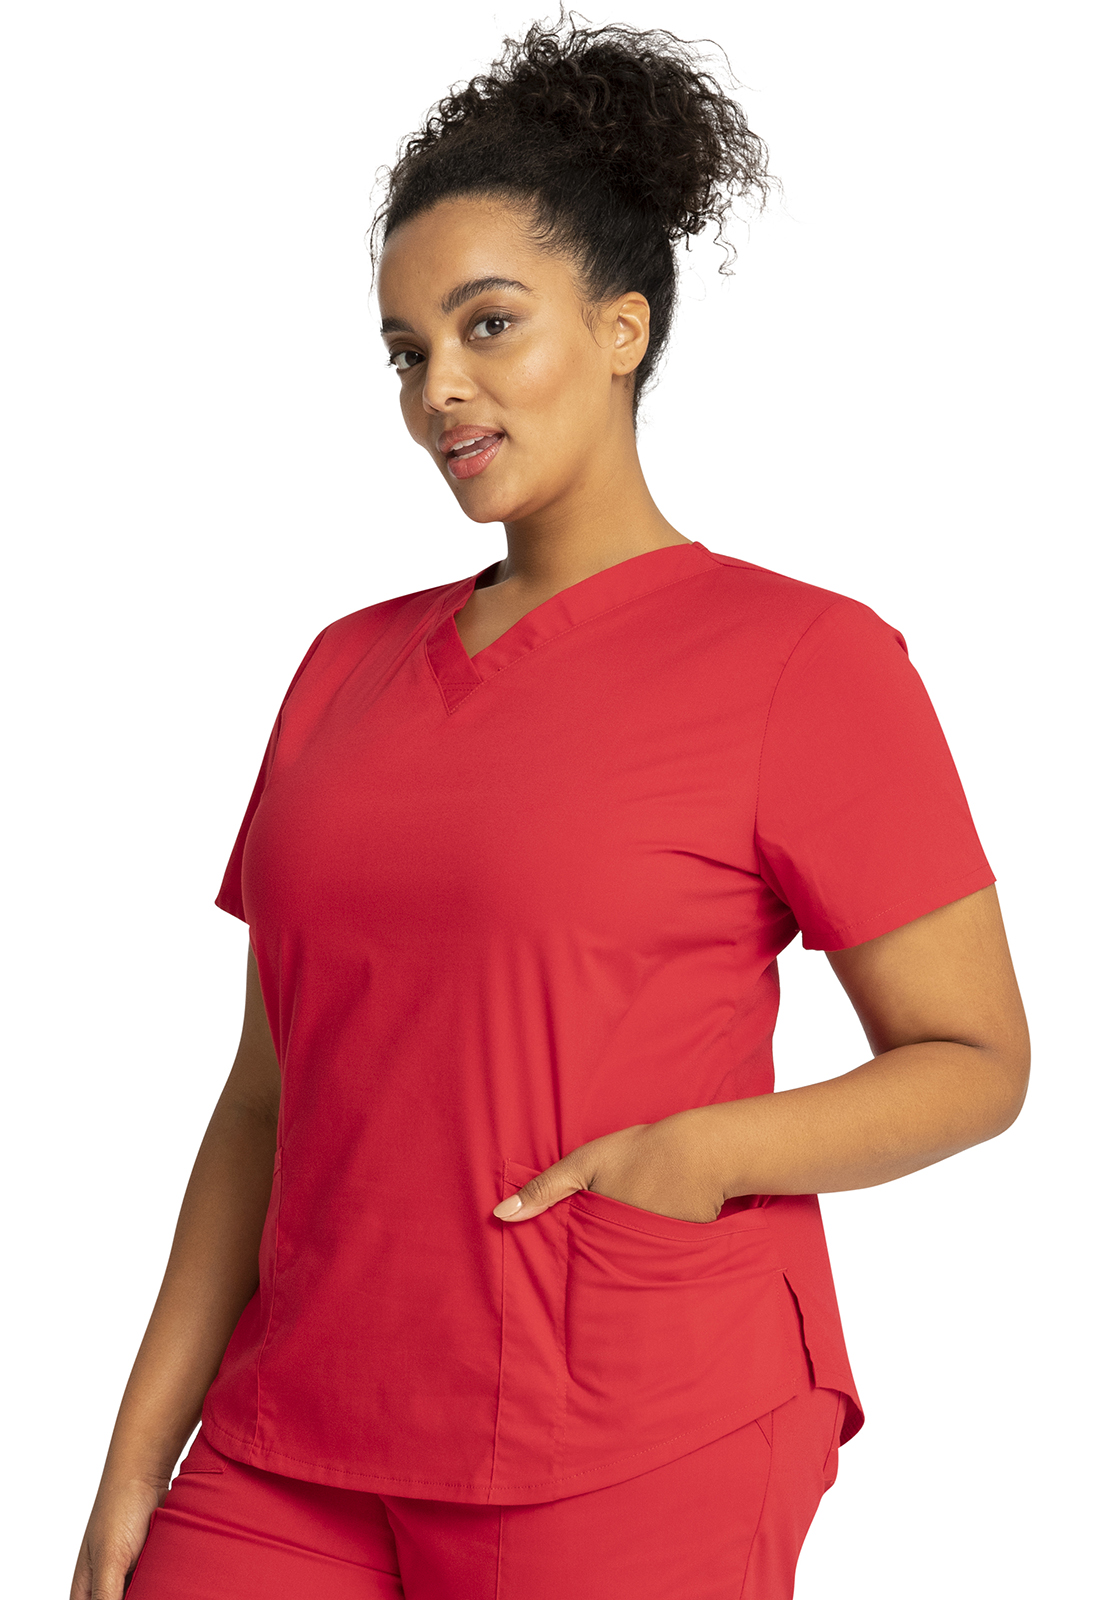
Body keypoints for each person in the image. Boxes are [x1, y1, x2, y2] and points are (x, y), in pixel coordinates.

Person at [71, 17, 1030, 1600]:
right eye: (405, 351)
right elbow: (264, 1099)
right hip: (295, 1428)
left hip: (630, 1416)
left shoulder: (805, 660)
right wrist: (133, 1461)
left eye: (489, 325)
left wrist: (697, 1154)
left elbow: (976, 1058)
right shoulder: (342, 670)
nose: (438, 389)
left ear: (622, 326)